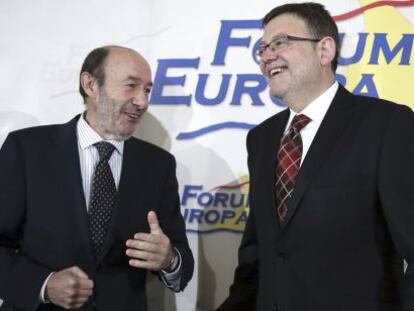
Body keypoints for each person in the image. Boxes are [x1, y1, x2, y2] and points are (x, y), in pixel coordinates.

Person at [217, 2, 414, 311]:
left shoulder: (385, 125)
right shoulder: (261, 139)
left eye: (280, 43)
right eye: (262, 49)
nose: (268, 56)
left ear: (325, 50)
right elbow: (258, 258)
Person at [0, 45, 194, 311]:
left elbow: (182, 261)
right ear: (90, 84)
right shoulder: (26, 150)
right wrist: (44, 284)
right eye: (131, 86)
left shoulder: (158, 165)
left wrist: (169, 259)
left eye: (147, 90)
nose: (143, 101)